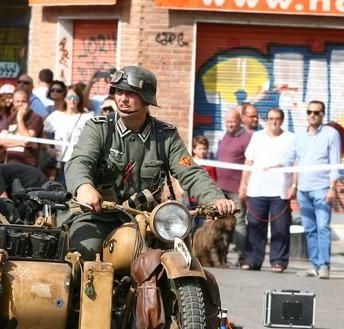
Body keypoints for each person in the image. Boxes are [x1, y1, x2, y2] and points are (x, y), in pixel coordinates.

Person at [65, 65, 235, 260]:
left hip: (148, 218)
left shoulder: (165, 136)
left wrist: (214, 198)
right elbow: (80, 161)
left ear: (146, 98)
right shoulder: (99, 129)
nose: (122, 99)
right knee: (81, 252)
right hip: (99, 215)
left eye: (131, 93)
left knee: (182, 259)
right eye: (119, 92)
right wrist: (84, 187)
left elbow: (190, 171)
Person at [283, 100, 341, 279]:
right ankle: (315, 265)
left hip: (322, 188)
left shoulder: (331, 134)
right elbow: (291, 160)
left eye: (316, 112)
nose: (312, 115)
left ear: (323, 114)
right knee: (309, 228)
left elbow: (335, 162)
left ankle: (324, 265)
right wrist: (290, 182)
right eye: (309, 112)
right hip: (303, 189)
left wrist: (332, 187)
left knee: (323, 227)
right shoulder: (299, 136)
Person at [238, 108, 295, 272]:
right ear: (266, 120)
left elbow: (296, 163)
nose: (273, 122)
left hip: (280, 191)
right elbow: (248, 161)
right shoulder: (257, 137)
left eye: (277, 118)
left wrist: (294, 186)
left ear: (282, 120)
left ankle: (278, 261)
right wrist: (243, 185)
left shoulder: (291, 138)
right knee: (254, 225)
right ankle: (252, 259)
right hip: (257, 189)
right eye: (270, 118)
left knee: (280, 227)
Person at [215, 108, 251, 265]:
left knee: (239, 222)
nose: (229, 124)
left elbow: (250, 163)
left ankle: (241, 256)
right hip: (221, 187)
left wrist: (245, 187)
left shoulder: (247, 138)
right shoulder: (225, 136)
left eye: (233, 121)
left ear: (240, 121)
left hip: (237, 189)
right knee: (219, 221)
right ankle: (220, 255)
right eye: (227, 121)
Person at [43, 85, 94, 184]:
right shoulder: (56, 115)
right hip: (60, 162)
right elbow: (42, 132)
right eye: (70, 97)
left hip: (79, 161)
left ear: (80, 99)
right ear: (65, 98)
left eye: (76, 97)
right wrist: (48, 149)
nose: (72, 100)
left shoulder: (87, 116)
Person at [0, 89, 44, 168]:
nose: (20, 104)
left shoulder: (36, 117)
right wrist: (21, 142)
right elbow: (1, 141)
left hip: (28, 164)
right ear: (13, 103)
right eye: (17, 101)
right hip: (10, 163)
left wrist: (20, 119)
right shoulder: (10, 118)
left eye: (23, 101)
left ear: (28, 102)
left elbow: (27, 140)